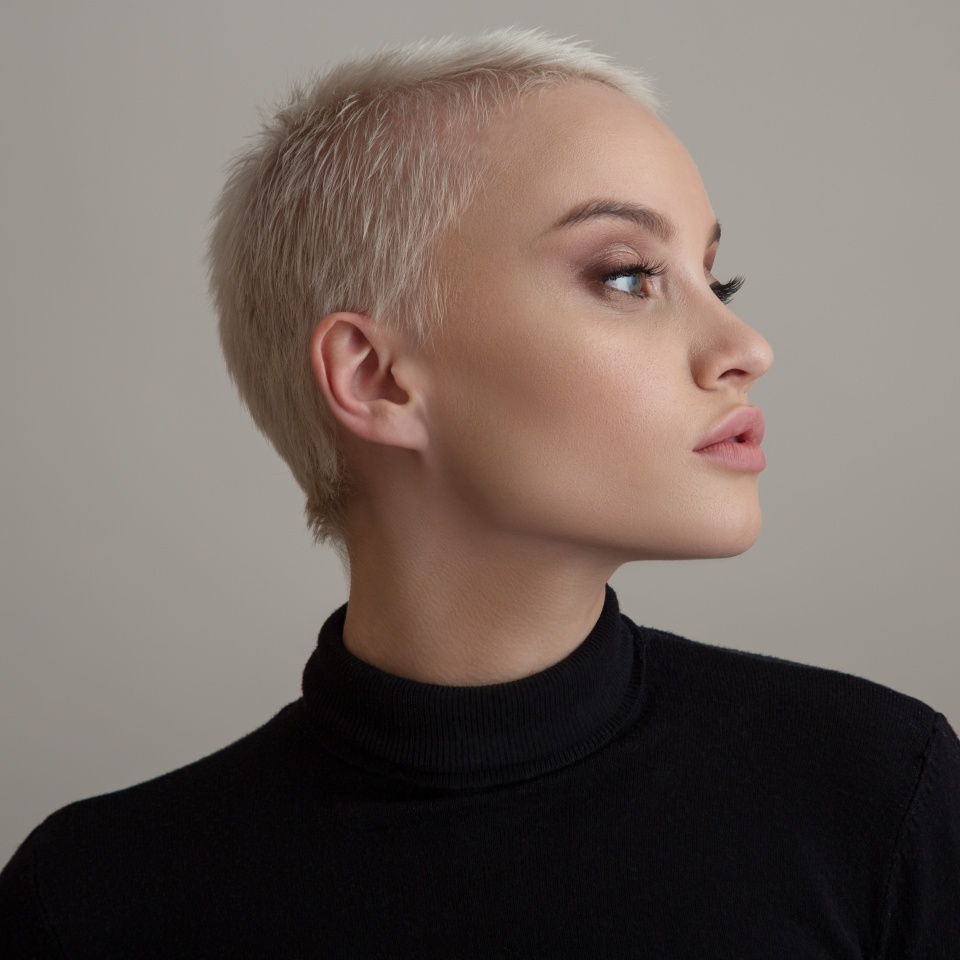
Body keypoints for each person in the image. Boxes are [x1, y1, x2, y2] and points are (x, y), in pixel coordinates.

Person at [1, 27, 957, 958]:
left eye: (720, 280)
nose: (747, 349)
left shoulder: (876, 791)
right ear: (373, 378)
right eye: (628, 276)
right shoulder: (93, 900)